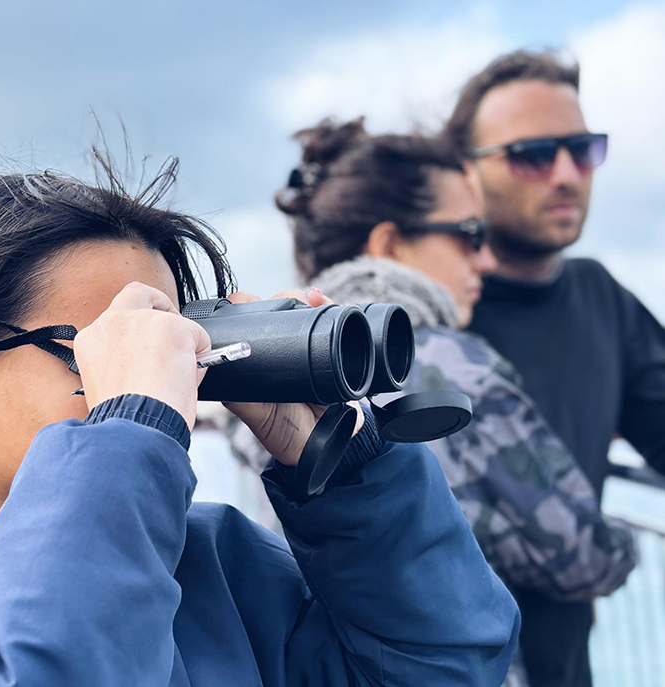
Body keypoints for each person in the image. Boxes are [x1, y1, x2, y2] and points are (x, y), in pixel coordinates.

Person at [0, 156, 518, 686]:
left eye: (170, 346)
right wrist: (129, 426)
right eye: (105, 347)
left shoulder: (219, 565)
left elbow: (444, 667)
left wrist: (346, 476)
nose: (154, 376)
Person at [227, 118, 638, 686]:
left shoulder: (280, 372)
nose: (485, 260)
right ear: (390, 244)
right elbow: (583, 556)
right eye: (471, 235)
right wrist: (620, 537)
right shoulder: (458, 365)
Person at [444, 50, 665, 687]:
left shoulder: (601, 297)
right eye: (533, 154)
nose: (567, 174)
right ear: (465, 171)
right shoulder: (426, 319)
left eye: (583, 150)